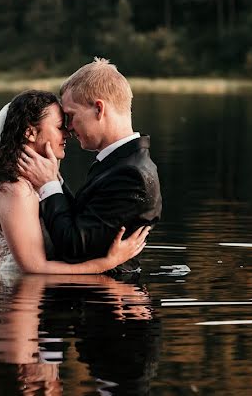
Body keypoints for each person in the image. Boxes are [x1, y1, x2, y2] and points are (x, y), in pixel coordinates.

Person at [0, 89, 149, 274]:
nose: (67, 133)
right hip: (20, 302)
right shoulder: (16, 191)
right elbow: (35, 269)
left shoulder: (35, 184)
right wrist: (107, 263)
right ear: (30, 133)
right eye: (59, 127)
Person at [19, 58, 162, 273]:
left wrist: (49, 185)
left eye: (71, 116)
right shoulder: (117, 162)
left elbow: (74, 247)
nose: (68, 128)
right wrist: (52, 178)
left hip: (109, 299)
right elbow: (80, 220)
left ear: (98, 109)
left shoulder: (132, 175)